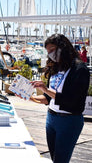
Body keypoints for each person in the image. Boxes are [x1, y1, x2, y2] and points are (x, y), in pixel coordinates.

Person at [17, 34, 90, 163]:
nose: (50, 54)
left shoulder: (80, 69)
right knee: (54, 159)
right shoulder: (56, 68)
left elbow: (71, 100)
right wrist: (29, 97)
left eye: (52, 49)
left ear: (62, 47)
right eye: (48, 51)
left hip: (69, 121)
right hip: (51, 119)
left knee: (60, 160)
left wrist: (45, 89)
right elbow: (48, 98)